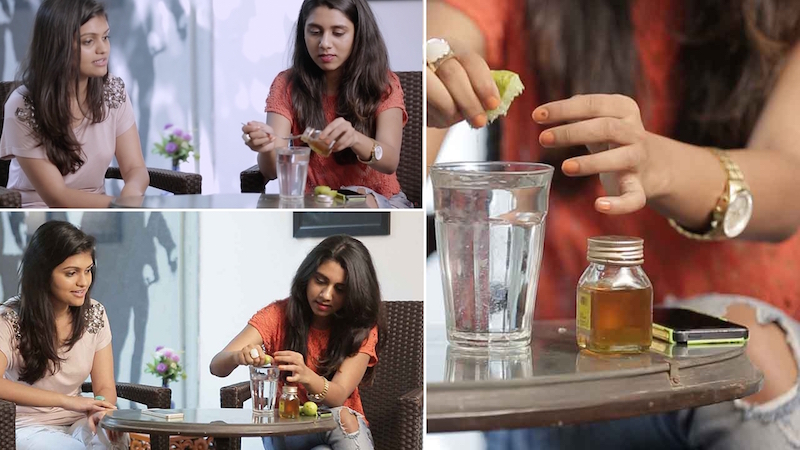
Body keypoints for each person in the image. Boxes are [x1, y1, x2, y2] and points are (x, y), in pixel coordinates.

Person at [426, 0, 800, 448]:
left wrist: (660, 166)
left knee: (751, 356)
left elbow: (789, 182)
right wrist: (433, 67)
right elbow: (438, 48)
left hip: (748, 368)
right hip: (564, 387)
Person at [210, 234, 385, 450]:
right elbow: (216, 366)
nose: (326, 295)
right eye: (320, 281)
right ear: (307, 276)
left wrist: (306, 375)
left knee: (335, 429)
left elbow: (339, 395)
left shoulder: (360, 328)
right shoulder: (277, 315)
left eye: (340, 289)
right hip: (286, 431)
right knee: (344, 419)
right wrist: (238, 356)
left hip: (337, 429)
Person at [241, 0, 412, 209]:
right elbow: (270, 172)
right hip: (316, 206)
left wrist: (354, 138)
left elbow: (389, 161)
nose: (324, 43)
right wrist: (266, 147)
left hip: (380, 202)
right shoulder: (286, 85)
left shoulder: (384, 84)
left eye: (338, 33)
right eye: (315, 32)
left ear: (359, 34)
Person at [0, 0, 149, 208]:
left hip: (100, 214)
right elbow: (56, 196)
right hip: (39, 216)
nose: (103, 49)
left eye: (105, 37)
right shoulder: (23, 105)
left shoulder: (114, 91)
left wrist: (132, 192)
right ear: (57, 46)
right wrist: (119, 205)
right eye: (89, 41)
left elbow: (135, 167)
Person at [0, 221, 128, 449]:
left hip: (77, 420)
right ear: (43, 274)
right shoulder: (10, 318)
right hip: (24, 425)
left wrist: (99, 408)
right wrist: (69, 402)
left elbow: (105, 386)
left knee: (114, 438)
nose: (83, 282)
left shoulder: (95, 314)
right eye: (71, 273)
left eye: (88, 270)